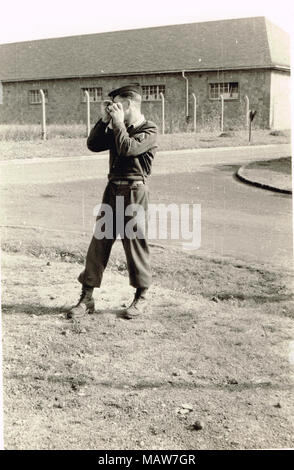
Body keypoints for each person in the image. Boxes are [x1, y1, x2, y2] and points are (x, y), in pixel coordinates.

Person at [67, 84, 158, 320]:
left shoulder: (149, 129)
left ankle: (142, 297)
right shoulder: (120, 127)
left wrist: (117, 123)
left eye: (117, 104)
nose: (114, 109)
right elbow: (93, 144)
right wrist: (103, 119)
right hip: (112, 189)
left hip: (134, 192)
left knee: (135, 244)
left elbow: (127, 148)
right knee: (99, 243)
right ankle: (87, 298)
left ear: (128, 105)